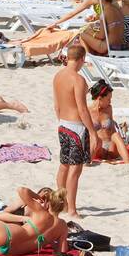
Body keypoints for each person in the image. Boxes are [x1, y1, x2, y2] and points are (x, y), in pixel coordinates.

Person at [54, 43, 95, 218]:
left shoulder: (58, 76)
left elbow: (56, 105)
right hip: (76, 127)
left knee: (63, 165)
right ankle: (71, 209)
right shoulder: (78, 80)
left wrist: (62, 121)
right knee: (75, 170)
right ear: (82, 59)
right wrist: (93, 132)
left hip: (62, 124)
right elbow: (82, 109)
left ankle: (60, 204)